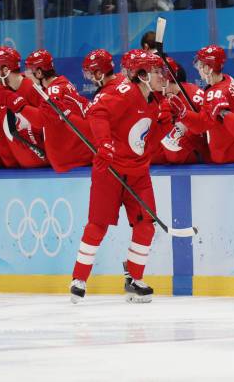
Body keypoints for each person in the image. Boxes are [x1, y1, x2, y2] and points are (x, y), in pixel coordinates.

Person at [70, 49, 169, 304]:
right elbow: (97, 113)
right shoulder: (123, 92)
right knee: (97, 226)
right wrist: (104, 144)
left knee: (146, 225)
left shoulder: (156, 100)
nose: (162, 75)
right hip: (110, 170)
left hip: (138, 172)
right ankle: (79, 278)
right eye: (157, 71)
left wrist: (166, 124)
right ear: (142, 75)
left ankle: (134, 279)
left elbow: (147, 141)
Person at [173, 45, 234, 163]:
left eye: (200, 66)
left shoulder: (216, 93)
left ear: (208, 68)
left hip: (229, 157)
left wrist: (183, 113)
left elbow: (201, 125)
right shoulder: (228, 79)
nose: (198, 69)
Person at [22, 49, 94, 172]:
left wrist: (19, 105)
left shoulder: (53, 92)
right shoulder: (62, 83)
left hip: (73, 165)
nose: (25, 74)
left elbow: (40, 120)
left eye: (29, 70)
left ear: (39, 73)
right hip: (76, 161)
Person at [0, 46, 49, 168]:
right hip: (19, 169)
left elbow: (48, 125)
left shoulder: (33, 89)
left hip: (43, 169)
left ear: (5, 69)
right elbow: (4, 134)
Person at [155, 56, 209, 164]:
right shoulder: (159, 95)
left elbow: (206, 127)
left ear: (165, 79)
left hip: (195, 161)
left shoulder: (193, 96)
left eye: (156, 73)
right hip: (170, 160)